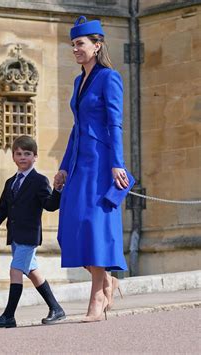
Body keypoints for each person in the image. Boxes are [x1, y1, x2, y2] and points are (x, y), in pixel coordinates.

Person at [54, 16, 129, 322]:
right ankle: (108, 279)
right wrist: (63, 167)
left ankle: (97, 295)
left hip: (101, 163)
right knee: (71, 226)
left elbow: (115, 124)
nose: (76, 49)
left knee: (94, 226)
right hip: (78, 164)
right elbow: (76, 128)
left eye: (80, 44)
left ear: (97, 46)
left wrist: (117, 164)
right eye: (73, 44)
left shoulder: (109, 78)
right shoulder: (78, 81)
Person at [0, 135, 65, 328]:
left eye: (27, 154)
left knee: (15, 270)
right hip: (15, 236)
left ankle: (9, 316)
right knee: (33, 272)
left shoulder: (39, 180)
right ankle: (56, 309)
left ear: (35, 157)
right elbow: (2, 208)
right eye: (18, 154)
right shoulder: (11, 182)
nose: (22, 157)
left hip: (29, 236)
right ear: (13, 157)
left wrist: (58, 190)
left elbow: (50, 205)